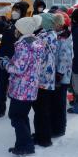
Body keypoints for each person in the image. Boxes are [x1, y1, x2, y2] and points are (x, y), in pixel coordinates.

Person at [6, 16, 45, 157]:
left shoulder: (23, 46)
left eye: (16, 28)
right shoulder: (36, 42)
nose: (14, 31)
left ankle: (26, 146)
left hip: (21, 88)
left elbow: (19, 68)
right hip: (31, 87)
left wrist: (5, 64)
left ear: (21, 30)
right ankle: (23, 144)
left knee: (16, 116)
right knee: (22, 116)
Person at [0, 1, 29, 118]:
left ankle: (16, 109)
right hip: (3, 58)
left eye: (17, 10)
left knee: (17, 85)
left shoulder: (26, 25)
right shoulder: (7, 23)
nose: (14, 12)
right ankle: (0, 109)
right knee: (0, 84)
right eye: (14, 9)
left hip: (17, 60)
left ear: (23, 12)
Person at [33, 13, 61, 147]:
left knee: (41, 109)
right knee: (42, 109)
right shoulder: (50, 35)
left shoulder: (44, 37)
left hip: (42, 79)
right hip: (46, 78)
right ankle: (42, 134)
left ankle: (44, 138)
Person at [51, 11, 73, 137]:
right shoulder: (59, 35)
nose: (53, 25)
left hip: (62, 76)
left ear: (60, 24)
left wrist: (59, 73)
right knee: (56, 103)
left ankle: (59, 129)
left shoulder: (64, 38)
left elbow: (65, 57)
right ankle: (55, 126)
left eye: (54, 23)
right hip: (59, 75)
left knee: (59, 104)